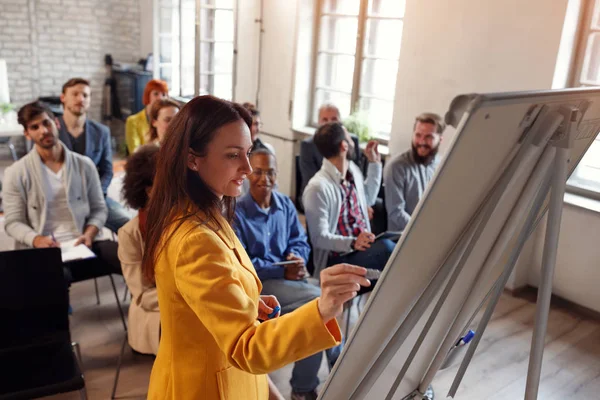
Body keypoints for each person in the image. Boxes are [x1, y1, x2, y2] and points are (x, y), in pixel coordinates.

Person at [141, 95, 370, 400]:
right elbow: (246, 347)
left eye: (247, 152)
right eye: (233, 155)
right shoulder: (195, 238)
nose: (248, 168)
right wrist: (322, 308)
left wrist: (247, 299)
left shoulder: (211, 214)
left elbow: (205, 303)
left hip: (233, 380)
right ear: (193, 158)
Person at [234, 148, 341, 400]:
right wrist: (282, 268)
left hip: (292, 281)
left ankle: (303, 390)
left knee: (314, 316)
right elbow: (243, 263)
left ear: (277, 174)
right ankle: (338, 367)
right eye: (258, 172)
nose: (265, 179)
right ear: (249, 174)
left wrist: (297, 258)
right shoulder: (236, 212)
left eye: (270, 172)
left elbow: (300, 240)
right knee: (319, 304)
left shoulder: (285, 204)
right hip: (262, 285)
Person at [3, 101, 120, 281]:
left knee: (129, 255)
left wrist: (89, 234)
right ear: (27, 134)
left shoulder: (84, 165)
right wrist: (37, 240)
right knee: (56, 278)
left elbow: (99, 208)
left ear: (56, 123)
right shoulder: (15, 173)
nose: (43, 130)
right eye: (35, 127)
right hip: (43, 248)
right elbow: (13, 222)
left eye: (46, 123)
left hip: (85, 241)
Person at [303, 122, 394, 292]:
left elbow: (368, 199)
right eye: (349, 138)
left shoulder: (352, 170)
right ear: (344, 146)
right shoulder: (318, 187)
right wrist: (353, 243)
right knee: (389, 251)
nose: (353, 142)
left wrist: (375, 164)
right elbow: (319, 238)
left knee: (398, 243)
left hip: (361, 248)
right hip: (339, 257)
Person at [56, 77, 131, 233]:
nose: (80, 99)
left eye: (85, 95)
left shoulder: (101, 132)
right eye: (75, 94)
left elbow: (107, 170)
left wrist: (96, 193)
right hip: (59, 200)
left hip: (94, 197)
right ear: (63, 98)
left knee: (130, 226)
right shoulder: (50, 130)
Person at [118, 145, 161, 355]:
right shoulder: (130, 234)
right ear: (149, 190)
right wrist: (185, 296)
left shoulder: (186, 222)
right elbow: (143, 295)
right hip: (154, 312)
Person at [384, 112, 445, 232]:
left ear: (440, 140)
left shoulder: (442, 164)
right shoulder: (396, 167)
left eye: (429, 137)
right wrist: (422, 231)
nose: (422, 141)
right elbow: (396, 212)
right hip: (402, 239)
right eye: (418, 135)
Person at [298, 103, 342, 199]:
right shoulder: (308, 145)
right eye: (325, 120)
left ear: (340, 121)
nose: (329, 123)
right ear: (318, 122)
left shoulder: (349, 142)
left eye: (334, 119)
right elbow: (311, 181)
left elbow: (356, 179)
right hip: (317, 194)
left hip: (346, 195)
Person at [125, 79, 168, 154]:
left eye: (164, 94)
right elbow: (135, 152)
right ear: (148, 96)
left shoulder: (168, 120)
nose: (160, 98)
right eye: (156, 94)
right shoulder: (132, 121)